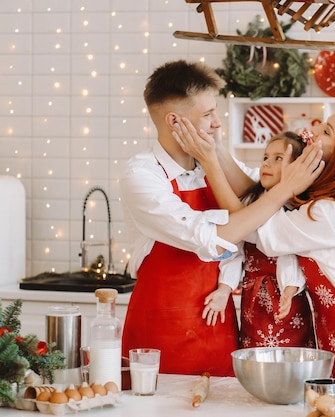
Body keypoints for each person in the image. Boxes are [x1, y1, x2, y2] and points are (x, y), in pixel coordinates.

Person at [180, 104, 335, 383]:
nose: (313, 131)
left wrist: (209, 163)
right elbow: (256, 197)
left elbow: (250, 224)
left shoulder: (331, 213)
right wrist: (216, 148)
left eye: (325, 132)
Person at [119, 59, 323, 376]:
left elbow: (255, 194)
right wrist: (283, 191)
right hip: (161, 333)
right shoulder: (142, 175)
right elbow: (210, 238)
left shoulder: (210, 165)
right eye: (208, 114)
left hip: (220, 325)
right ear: (175, 121)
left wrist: (217, 154)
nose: (217, 123)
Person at [217, 131, 315, 349]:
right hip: (252, 299)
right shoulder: (251, 203)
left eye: (278, 158)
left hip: (287, 298)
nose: (267, 164)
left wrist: (290, 289)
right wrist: (225, 287)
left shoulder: (296, 212)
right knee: (255, 357)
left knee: (291, 359)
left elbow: (291, 255)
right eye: (265, 158)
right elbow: (234, 248)